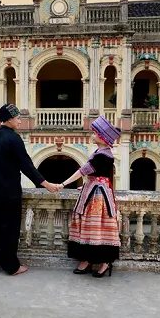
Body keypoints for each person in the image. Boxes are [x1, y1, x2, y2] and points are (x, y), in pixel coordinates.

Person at [0, 104, 60, 276]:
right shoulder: (13, 139)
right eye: (18, 117)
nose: (20, 120)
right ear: (9, 119)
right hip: (9, 193)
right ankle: (11, 266)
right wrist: (47, 185)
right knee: (9, 229)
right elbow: (27, 167)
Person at [60, 116, 121, 278]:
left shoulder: (103, 155)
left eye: (95, 133)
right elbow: (94, 174)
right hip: (94, 190)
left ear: (102, 137)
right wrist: (88, 183)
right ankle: (89, 260)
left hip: (98, 196)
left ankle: (103, 262)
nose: (92, 136)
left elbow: (83, 171)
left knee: (95, 226)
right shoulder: (101, 153)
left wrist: (63, 184)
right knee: (91, 226)